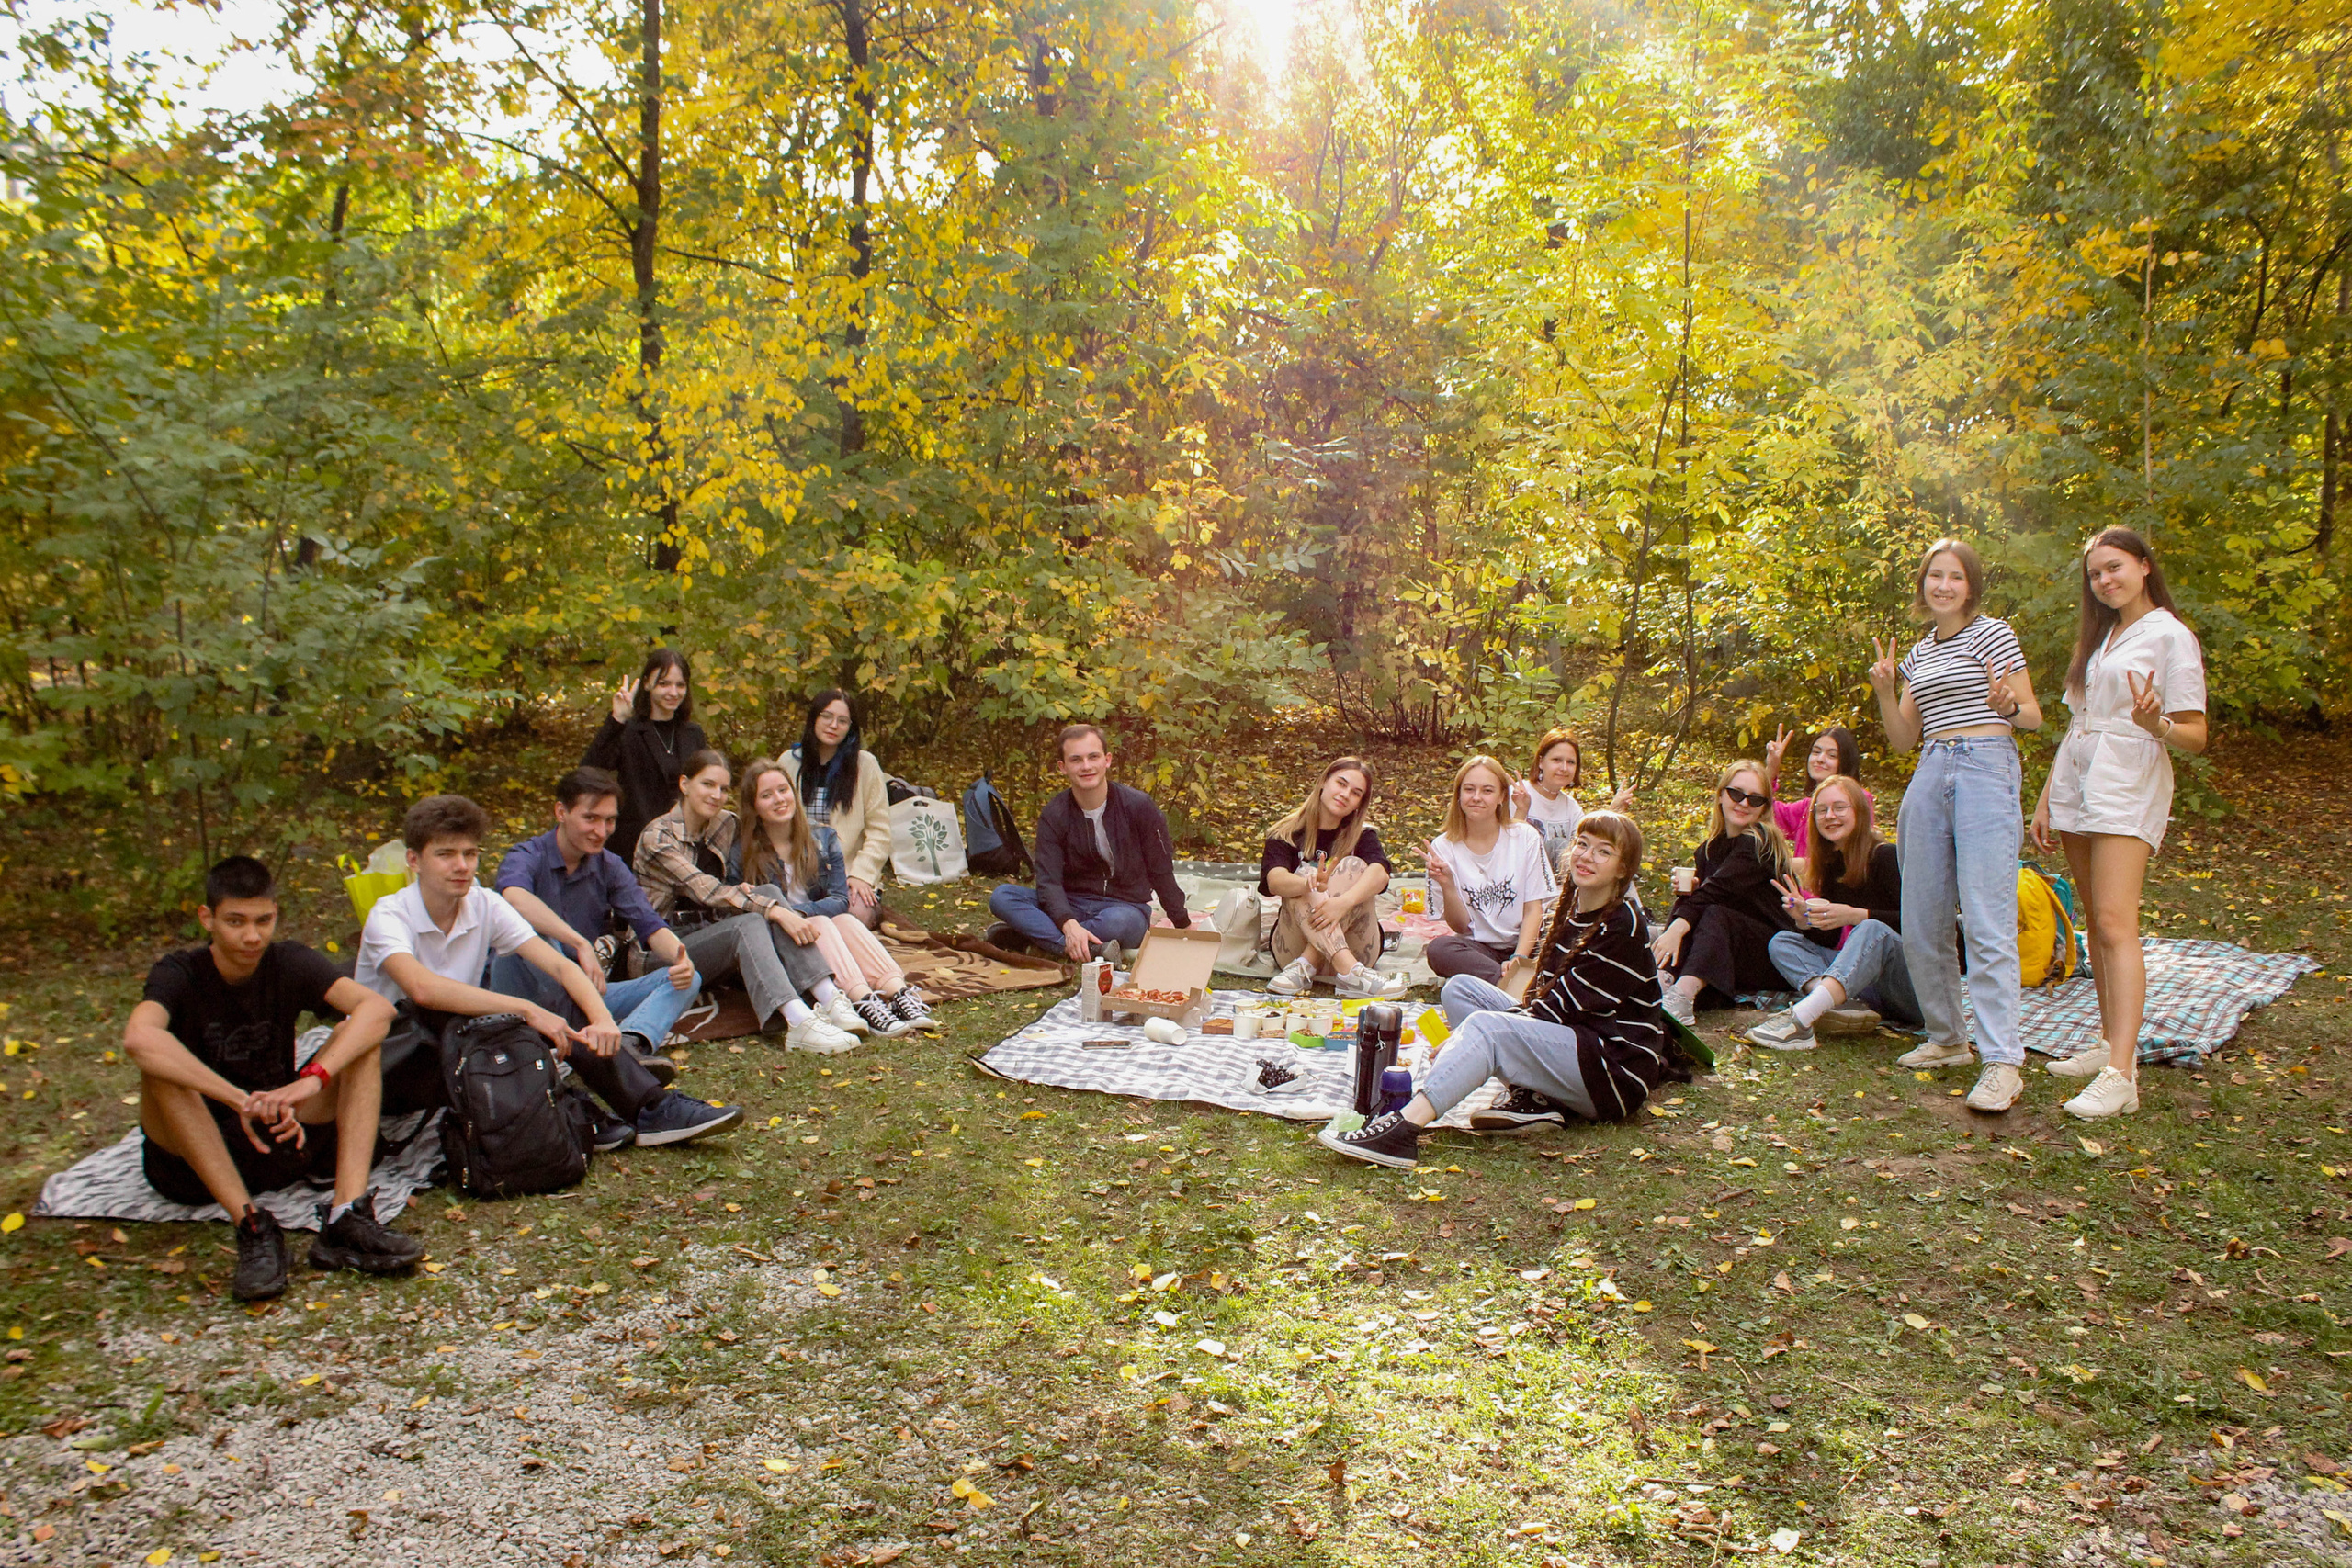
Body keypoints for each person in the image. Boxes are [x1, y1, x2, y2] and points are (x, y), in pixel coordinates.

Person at [359, 795, 743, 1149]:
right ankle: (584, 1111)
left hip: (460, 1044)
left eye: (470, 853)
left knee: (545, 1003)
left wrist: (601, 1019)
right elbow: (422, 990)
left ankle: (647, 1108)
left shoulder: (483, 904)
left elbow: (560, 967)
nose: (461, 866)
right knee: (501, 1021)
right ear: (414, 861)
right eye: (445, 854)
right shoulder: (390, 915)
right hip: (398, 1061)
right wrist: (527, 1010)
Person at [124, 856, 424, 1301]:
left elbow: (377, 1010)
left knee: (359, 1038)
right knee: (160, 1066)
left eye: (263, 920)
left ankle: (345, 1217)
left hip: (282, 1129)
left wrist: (313, 1079)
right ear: (207, 918)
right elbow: (138, 1037)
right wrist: (237, 1099)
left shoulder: (288, 961)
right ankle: (252, 1225)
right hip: (195, 1154)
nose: (252, 936)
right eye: (236, 921)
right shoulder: (180, 972)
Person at [1318, 811, 1670, 1168]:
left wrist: (1467, 1038)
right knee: (1461, 989)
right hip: (1575, 1042)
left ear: (1623, 869)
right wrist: (1479, 1034)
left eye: (1603, 851)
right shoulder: (1573, 908)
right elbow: (1542, 997)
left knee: (1486, 1028)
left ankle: (1402, 1129)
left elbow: (1556, 1010)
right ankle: (1537, 1098)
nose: (1587, 856)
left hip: (1611, 1071)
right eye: (1582, 844)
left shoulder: (1622, 926)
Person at [2031, 526, 2209, 1121]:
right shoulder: (2101, 636)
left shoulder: (2170, 636)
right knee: (2093, 918)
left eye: (2115, 567)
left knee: (2115, 921)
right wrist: (2046, 797)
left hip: (2128, 779)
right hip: (2078, 778)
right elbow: (2077, 720)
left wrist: (2157, 722)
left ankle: (2122, 1075)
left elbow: (2196, 735)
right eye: (2095, 573)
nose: (2105, 580)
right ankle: (2110, 1040)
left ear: (2144, 565)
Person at [1868, 536, 2043, 1112]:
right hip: (1929, 769)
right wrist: (1885, 690)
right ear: (1923, 584)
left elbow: (2034, 716)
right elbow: (1903, 738)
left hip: (1985, 766)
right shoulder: (1918, 653)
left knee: (1987, 919)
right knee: (1922, 917)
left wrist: (2007, 705)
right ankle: (1947, 1039)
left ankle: (2003, 1061)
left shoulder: (1994, 634)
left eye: (1955, 577)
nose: (1943, 586)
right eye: (1935, 576)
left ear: (1971, 586)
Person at [492, 765, 706, 1101]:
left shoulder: (608, 865)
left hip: (581, 997)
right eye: (590, 818)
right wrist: (579, 943)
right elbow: (513, 900)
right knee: (538, 939)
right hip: (522, 994)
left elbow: (648, 922)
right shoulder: (528, 855)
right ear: (561, 812)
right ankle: (590, 1045)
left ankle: (629, 1045)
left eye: (609, 820)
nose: (601, 831)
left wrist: (681, 959)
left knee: (688, 980)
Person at [633, 750, 864, 1054]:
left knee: (765, 893)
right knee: (754, 919)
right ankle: (798, 1020)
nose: (716, 795)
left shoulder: (724, 824)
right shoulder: (658, 837)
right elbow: (705, 889)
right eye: (707, 784)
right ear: (685, 784)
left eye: (723, 788)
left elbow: (769, 832)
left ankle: (828, 997)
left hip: (709, 933)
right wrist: (779, 912)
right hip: (662, 949)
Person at [737, 755, 938, 1037]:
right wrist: (792, 918)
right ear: (754, 806)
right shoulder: (743, 849)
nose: (779, 800)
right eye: (767, 795)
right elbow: (741, 907)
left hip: (815, 929)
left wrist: (800, 914)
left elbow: (839, 899)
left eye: (783, 790)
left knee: (844, 919)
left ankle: (898, 991)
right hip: (781, 943)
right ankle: (861, 1000)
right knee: (822, 921)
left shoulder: (822, 838)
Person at [986, 724, 1191, 963]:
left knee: (1119, 923)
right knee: (1003, 896)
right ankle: (1085, 948)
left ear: (1107, 760)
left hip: (1124, 908)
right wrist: (1068, 922)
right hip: (1071, 903)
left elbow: (1161, 870)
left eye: (1093, 757)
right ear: (1063, 767)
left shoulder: (1139, 806)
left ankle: (1037, 939)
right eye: (1076, 759)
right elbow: (1048, 881)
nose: (1086, 766)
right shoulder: (1054, 814)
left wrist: (1183, 924)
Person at [1744, 774, 1919, 1050]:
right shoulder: (1832, 865)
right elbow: (1831, 938)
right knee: (1783, 941)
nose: (1830, 816)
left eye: (1839, 807)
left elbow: (1919, 925)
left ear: (1859, 811)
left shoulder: (1885, 856)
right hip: (1867, 989)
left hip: (1913, 990)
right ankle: (1837, 1004)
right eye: (1822, 810)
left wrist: (1857, 915)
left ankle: (1801, 1020)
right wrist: (1804, 920)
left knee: (1872, 929)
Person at [1651, 761, 1798, 1027]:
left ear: (1764, 807)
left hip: (1775, 956)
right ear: (1721, 795)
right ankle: (1665, 979)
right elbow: (1707, 897)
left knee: (1714, 911)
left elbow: (1717, 892)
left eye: (1755, 799)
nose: (1744, 803)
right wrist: (1690, 894)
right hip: (1731, 952)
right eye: (1736, 793)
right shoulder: (1709, 849)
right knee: (1693, 899)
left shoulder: (1760, 843)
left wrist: (1675, 930)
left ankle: (1683, 994)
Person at [1259, 757, 1408, 1000]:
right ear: (1323, 782)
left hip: (1356, 949)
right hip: (1292, 950)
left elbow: (1381, 874)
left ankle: (1312, 963)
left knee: (1354, 867)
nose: (1345, 794)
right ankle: (1350, 975)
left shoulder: (1363, 835)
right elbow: (1274, 881)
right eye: (1341, 783)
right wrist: (1308, 884)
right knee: (1305, 877)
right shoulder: (1285, 832)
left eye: (1356, 793)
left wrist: (1343, 902)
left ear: (1359, 803)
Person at [1422, 755, 1557, 988]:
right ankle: (1512, 987)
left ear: (1502, 797)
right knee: (1438, 949)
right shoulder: (1442, 847)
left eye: (1487, 790)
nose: (1476, 797)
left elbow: (1533, 909)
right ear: (1458, 795)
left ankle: (1507, 983)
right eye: (1469, 789)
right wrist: (1447, 885)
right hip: (1479, 950)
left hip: (1527, 943)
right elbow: (1461, 927)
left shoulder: (1525, 836)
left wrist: (1519, 958)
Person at [775, 689, 894, 931]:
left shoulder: (866, 765)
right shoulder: (788, 761)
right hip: (796, 869)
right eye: (827, 717)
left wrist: (861, 874)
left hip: (845, 872)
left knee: (855, 917)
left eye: (842, 721)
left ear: (851, 727)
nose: (833, 725)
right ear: (814, 718)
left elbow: (880, 832)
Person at [582, 648, 706, 867]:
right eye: (664, 684)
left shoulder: (693, 734)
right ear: (648, 683)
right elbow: (589, 771)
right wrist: (617, 720)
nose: (673, 692)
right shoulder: (628, 731)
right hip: (635, 847)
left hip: (684, 846)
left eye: (680, 685)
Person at [1509, 728, 1636, 867]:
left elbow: (1591, 844)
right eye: (1557, 760)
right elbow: (1504, 845)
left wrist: (1613, 811)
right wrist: (1521, 810)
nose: (1564, 768)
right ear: (1541, 762)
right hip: (1520, 871)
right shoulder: (1517, 794)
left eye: (1570, 762)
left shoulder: (1571, 807)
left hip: (1559, 878)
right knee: (1557, 845)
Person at [1759, 725, 1864, 867]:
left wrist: (1787, 865)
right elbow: (1760, 809)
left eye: (1832, 755)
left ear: (1846, 762)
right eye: (1816, 752)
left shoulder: (1859, 800)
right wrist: (1772, 768)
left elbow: (1849, 859)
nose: (1820, 759)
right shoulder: (1806, 807)